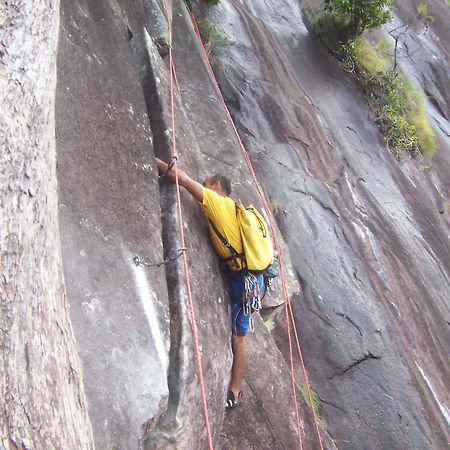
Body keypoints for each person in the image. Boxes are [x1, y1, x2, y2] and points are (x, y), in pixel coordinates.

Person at [155, 158, 265, 409]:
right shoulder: (233, 209)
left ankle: (234, 392)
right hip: (250, 277)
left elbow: (181, 179)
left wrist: (154, 161)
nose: (203, 187)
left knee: (238, 338)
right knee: (239, 335)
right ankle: (235, 390)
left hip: (244, 281)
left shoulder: (218, 203)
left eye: (206, 183)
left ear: (215, 185)